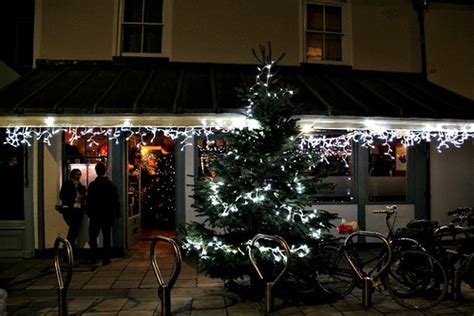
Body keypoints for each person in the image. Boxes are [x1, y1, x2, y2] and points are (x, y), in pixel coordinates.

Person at [86, 162, 120, 265]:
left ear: (96, 172)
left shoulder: (92, 185)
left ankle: (94, 257)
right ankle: (106, 258)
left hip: (95, 215)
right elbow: (115, 201)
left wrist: (89, 212)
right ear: (105, 171)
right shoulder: (111, 185)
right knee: (106, 237)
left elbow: (89, 200)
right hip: (107, 214)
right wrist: (117, 213)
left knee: (93, 236)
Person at [59, 169, 86, 251]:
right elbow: (62, 196)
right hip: (70, 210)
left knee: (74, 230)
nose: (78, 176)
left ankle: (68, 248)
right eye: (76, 174)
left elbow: (83, 195)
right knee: (73, 229)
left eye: (79, 174)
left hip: (77, 210)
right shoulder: (67, 184)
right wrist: (74, 199)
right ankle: (68, 248)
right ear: (72, 175)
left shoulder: (80, 185)